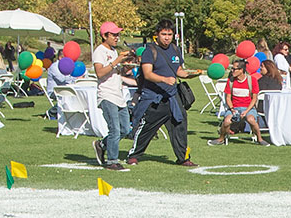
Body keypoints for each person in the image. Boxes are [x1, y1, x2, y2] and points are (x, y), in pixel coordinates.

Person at [129, 19, 199, 168]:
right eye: (163, 34)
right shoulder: (150, 51)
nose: (167, 37)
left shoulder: (175, 49)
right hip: (155, 98)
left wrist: (190, 75)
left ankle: (183, 158)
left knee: (180, 126)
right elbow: (147, 74)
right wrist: (164, 79)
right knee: (147, 129)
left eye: (169, 34)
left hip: (173, 97)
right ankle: (134, 155)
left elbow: (178, 70)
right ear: (157, 35)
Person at [90, 21, 132, 169]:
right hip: (106, 95)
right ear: (104, 35)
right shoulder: (99, 51)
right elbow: (100, 73)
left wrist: (126, 65)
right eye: (113, 34)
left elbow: (116, 72)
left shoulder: (114, 52)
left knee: (125, 129)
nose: (116, 37)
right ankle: (112, 161)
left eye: (117, 34)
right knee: (114, 128)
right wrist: (116, 61)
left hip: (118, 95)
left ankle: (102, 144)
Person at [213, 58, 267, 145]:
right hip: (234, 108)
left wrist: (246, 111)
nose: (232, 71)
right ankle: (221, 139)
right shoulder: (230, 81)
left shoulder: (252, 80)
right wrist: (232, 109)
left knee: (251, 120)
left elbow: (254, 98)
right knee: (227, 121)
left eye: (234, 69)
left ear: (241, 70)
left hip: (248, 108)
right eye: (232, 68)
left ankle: (259, 139)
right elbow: (228, 98)